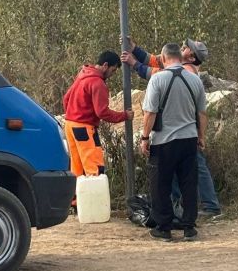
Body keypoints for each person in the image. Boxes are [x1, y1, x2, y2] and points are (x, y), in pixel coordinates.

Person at [122, 37, 222, 219]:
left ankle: (209, 206)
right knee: (186, 170)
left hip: (180, 128)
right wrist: (135, 49)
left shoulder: (187, 70)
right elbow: (157, 59)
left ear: (191, 57)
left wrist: (134, 63)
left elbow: (154, 73)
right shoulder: (183, 68)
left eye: (186, 48)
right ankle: (182, 207)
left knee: (196, 167)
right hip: (187, 129)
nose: (183, 47)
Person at [140, 43, 207, 242]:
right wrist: (201, 137)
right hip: (188, 140)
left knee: (161, 185)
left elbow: (150, 113)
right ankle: (189, 228)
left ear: (163, 57)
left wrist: (144, 138)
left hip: (163, 141)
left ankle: (164, 227)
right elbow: (202, 113)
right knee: (188, 183)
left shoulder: (157, 79)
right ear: (180, 56)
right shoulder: (194, 79)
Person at [63, 51, 134, 181]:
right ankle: (95, 200)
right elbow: (102, 112)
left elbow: (66, 98)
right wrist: (124, 115)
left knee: (77, 166)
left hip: (69, 125)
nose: (112, 75)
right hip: (84, 127)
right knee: (94, 167)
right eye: (112, 70)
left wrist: (73, 114)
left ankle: (76, 200)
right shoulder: (98, 83)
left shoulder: (82, 75)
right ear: (105, 65)